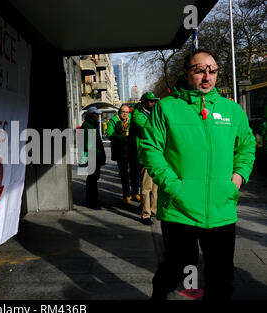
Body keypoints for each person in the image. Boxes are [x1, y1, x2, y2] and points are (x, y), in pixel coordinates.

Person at [138, 49, 256, 300]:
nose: (207, 77)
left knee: (222, 276)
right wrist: (174, 187)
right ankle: (159, 294)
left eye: (212, 71)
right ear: (185, 72)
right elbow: (150, 150)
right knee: (176, 269)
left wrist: (237, 179)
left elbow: (247, 146)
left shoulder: (232, 110)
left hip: (221, 209)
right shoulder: (166, 108)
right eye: (199, 70)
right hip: (180, 209)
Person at [131, 92, 159, 225]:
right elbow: (149, 128)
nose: (153, 103)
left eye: (154, 101)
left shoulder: (150, 113)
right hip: (145, 155)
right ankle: (145, 214)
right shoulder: (137, 115)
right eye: (151, 101)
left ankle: (154, 211)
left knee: (155, 187)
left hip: (155, 154)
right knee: (146, 187)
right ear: (143, 102)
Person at [107, 105, 141, 203]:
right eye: (123, 112)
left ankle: (136, 193)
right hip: (120, 152)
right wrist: (124, 138)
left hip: (133, 151)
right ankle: (126, 195)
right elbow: (110, 134)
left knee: (135, 173)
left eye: (127, 112)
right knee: (124, 174)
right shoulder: (113, 120)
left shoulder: (133, 118)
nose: (125, 114)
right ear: (119, 112)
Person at [80, 107, 106, 209]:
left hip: (93, 156)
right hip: (92, 157)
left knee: (93, 179)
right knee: (92, 180)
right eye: (96, 114)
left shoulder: (91, 125)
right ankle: (92, 202)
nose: (98, 116)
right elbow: (89, 145)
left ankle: (94, 200)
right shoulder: (88, 126)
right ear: (91, 115)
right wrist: (99, 156)